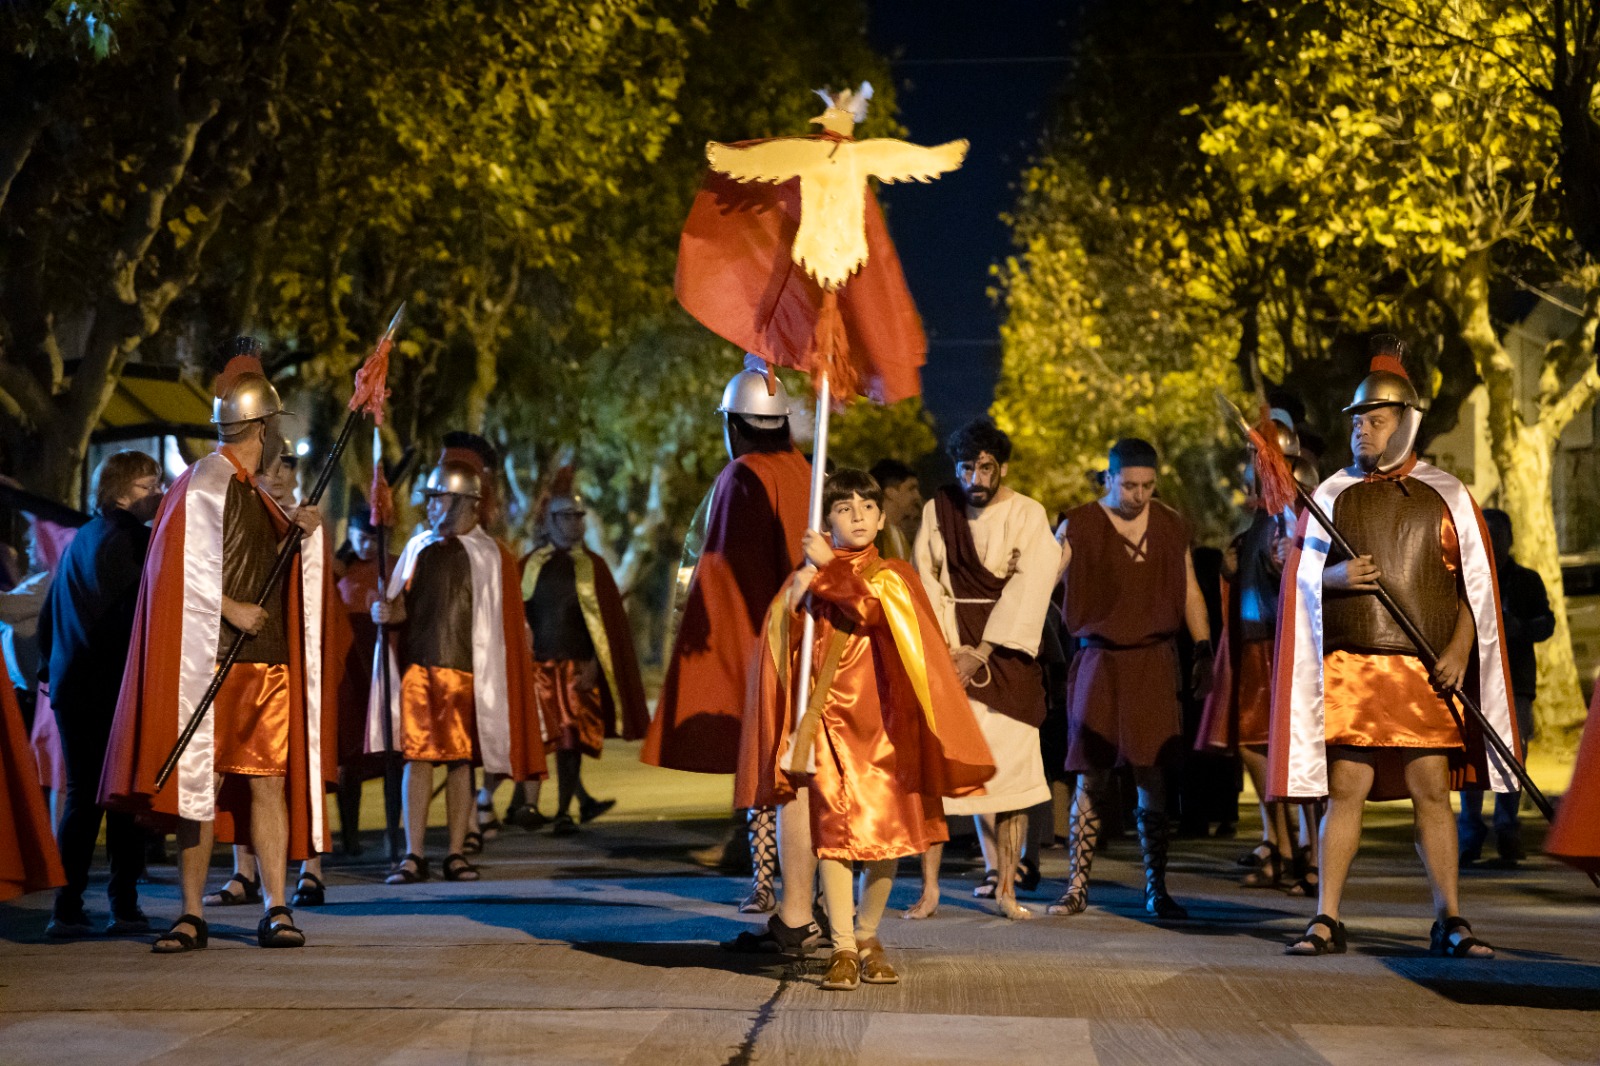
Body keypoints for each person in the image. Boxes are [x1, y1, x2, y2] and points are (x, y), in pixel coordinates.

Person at [1274, 341, 1516, 959]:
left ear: (1405, 422)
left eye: (1374, 420)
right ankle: (1326, 917)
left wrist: (1460, 651)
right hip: (1352, 670)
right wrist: (1331, 579)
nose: (1361, 429)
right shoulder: (1329, 495)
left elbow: (1475, 594)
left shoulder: (1449, 497)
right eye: (1356, 420)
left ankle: (1450, 918)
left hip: (1423, 672)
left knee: (1432, 792)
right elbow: (1297, 581)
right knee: (1345, 790)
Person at [100, 338, 328, 952]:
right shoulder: (202, 483)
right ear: (259, 426)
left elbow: (270, 565)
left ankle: (277, 907)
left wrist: (302, 533)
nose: (277, 435)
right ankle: (192, 912)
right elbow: (169, 570)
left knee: (266, 782)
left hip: (267, 664)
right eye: (273, 425)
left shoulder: (258, 489)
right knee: (195, 786)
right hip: (207, 663)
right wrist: (230, 608)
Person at [739, 468, 994, 988]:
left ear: (880, 517)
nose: (856, 515)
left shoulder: (893, 576)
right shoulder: (809, 575)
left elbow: (870, 608)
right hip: (826, 727)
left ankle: (869, 932)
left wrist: (828, 569)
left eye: (866, 507)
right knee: (833, 836)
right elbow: (782, 649)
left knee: (887, 838)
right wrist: (793, 600)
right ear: (825, 519)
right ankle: (843, 946)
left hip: (884, 730)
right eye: (842, 508)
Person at [641, 361, 810, 915]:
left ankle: (765, 881)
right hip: (807, 640)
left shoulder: (740, 476)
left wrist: (711, 643)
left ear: (735, 424)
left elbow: (720, 570)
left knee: (762, 764)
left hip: (758, 639)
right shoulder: (809, 469)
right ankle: (808, 887)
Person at [370, 445, 544, 885]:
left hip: (469, 675)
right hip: (419, 670)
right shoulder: (416, 548)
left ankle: (454, 852)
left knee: (462, 762)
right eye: (428, 498)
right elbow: (400, 608)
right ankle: (413, 854)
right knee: (418, 759)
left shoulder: (491, 555)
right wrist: (386, 614)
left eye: (438, 498)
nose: (430, 506)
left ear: (466, 502)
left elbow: (505, 623)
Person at [1054, 438, 1213, 920]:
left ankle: (1156, 888)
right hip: (1099, 659)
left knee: (1153, 772)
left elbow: (1188, 588)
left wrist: (1203, 646)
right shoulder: (1078, 525)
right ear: (1109, 478)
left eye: (1146, 486)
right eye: (1128, 485)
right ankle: (1076, 885)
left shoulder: (1169, 525)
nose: (1138, 495)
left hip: (1152, 659)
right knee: (1090, 773)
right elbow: (1044, 580)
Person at [911, 418, 1060, 920]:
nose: (976, 478)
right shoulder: (939, 509)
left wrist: (982, 649)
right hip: (947, 653)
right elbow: (924, 578)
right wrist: (949, 649)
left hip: (1006, 659)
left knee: (1013, 777)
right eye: (967, 467)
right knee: (941, 771)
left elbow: (1032, 584)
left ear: (1002, 468)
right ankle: (929, 890)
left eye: (986, 467)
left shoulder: (1028, 513)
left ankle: (1007, 889)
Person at [36, 452, 160, 937]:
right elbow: (136, 616)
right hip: (109, 687)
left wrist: (53, 669)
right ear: (125, 490)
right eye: (151, 483)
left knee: (81, 800)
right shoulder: (133, 540)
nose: (159, 492)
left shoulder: (83, 537)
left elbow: (50, 615)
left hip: (72, 686)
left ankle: (67, 905)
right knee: (120, 799)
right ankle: (122, 906)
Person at [1197, 415, 1302, 889]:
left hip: (1275, 644)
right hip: (1252, 639)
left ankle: (1290, 846)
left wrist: (1282, 560)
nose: (1253, 469)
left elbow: (1293, 570)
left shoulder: (1292, 511)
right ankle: (1280, 842)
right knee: (1253, 744)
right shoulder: (1263, 515)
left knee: (1268, 745)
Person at [521, 485, 648, 836]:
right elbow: (517, 613)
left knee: (570, 742)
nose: (575, 523)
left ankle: (564, 810)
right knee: (536, 738)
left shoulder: (594, 566)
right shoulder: (531, 564)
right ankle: (526, 803)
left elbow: (606, 627)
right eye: (567, 517)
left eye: (579, 517)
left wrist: (594, 665)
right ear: (551, 521)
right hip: (538, 668)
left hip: (577, 667)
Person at [1456, 508, 1551, 865]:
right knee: (1472, 756)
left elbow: (1546, 623)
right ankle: (1470, 834)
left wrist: (1519, 628)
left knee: (1513, 756)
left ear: (1510, 539)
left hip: (1515, 682)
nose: (1494, 542)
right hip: (1475, 680)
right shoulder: (1468, 577)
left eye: (1499, 534)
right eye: (1488, 534)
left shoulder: (1526, 581)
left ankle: (1508, 831)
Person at [333, 506, 400, 861]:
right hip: (348, 674)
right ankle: (350, 838)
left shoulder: (394, 566)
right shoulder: (338, 570)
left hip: (381, 669)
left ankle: (393, 835)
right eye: (360, 538)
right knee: (350, 759)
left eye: (373, 539)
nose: (366, 546)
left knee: (392, 755)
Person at [868, 458, 922, 561]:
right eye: (911, 488)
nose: (917, 496)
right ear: (890, 492)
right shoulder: (870, 536)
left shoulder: (898, 534)